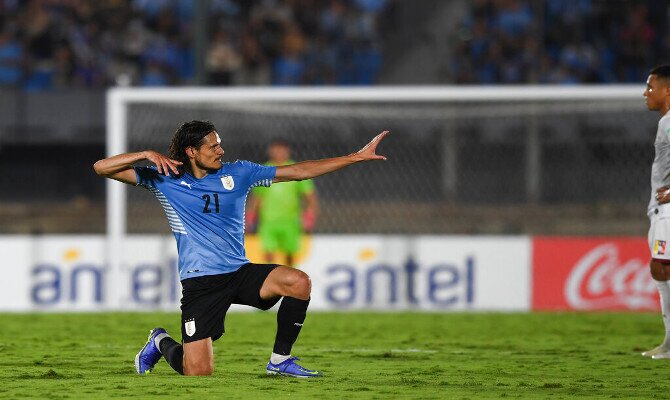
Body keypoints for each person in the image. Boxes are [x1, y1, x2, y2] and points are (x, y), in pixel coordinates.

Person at [93, 120, 388, 376]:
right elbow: (101, 168)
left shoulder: (241, 172)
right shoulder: (165, 178)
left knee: (298, 282)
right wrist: (145, 154)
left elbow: (298, 172)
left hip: (239, 272)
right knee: (197, 372)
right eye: (212, 146)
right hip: (201, 283)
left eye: (220, 144)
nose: (220, 150)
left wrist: (354, 157)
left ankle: (280, 361)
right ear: (191, 152)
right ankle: (159, 341)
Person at [246, 138, 318, 266]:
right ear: (270, 151)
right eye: (276, 150)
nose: (279, 153)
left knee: (290, 254)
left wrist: (310, 214)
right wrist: (251, 215)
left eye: (282, 150)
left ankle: (288, 278)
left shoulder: (296, 170)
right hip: (268, 221)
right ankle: (271, 277)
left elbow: (309, 196)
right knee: (268, 253)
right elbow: (257, 196)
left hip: (290, 220)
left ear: (287, 151)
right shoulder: (263, 170)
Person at [641, 65, 670, 359]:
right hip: (660, 209)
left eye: (650, 87)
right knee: (660, 269)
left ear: (668, 90)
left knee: (662, 267)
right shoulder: (665, 122)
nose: (645, 93)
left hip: (669, 210)